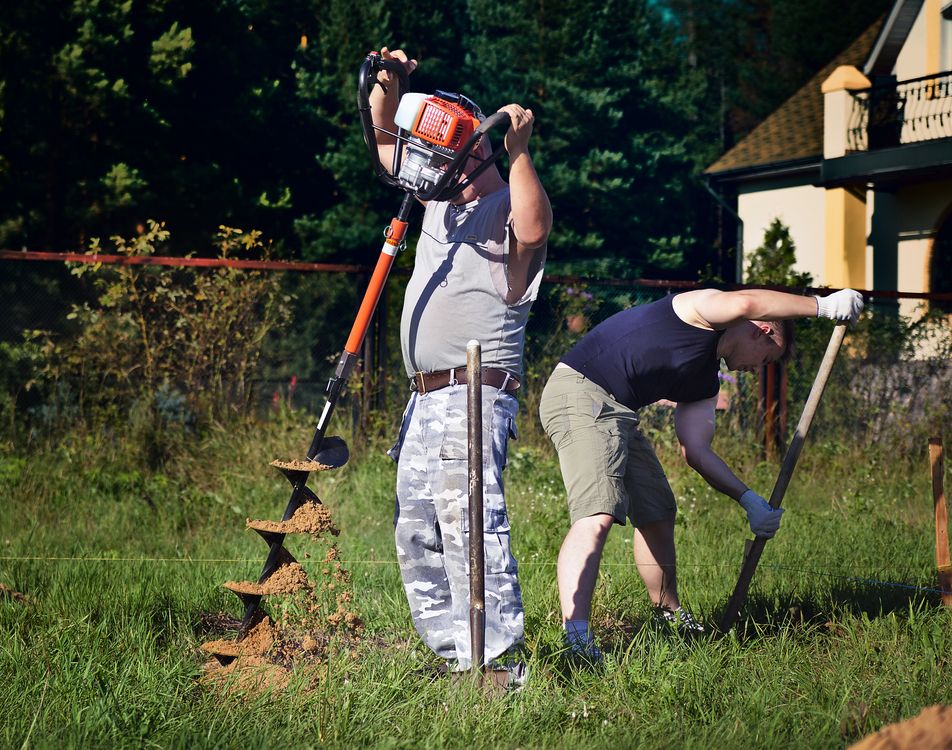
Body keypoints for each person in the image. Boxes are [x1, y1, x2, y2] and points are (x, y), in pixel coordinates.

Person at [539, 287, 864, 659]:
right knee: (598, 512)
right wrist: (822, 307)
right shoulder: (699, 312)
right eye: (765, 359)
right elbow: (746, 303)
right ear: (762, 330)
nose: (757, 369)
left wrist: (749, 500)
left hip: (619, 412)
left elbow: (696, 450)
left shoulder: (705, 380)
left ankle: (669, 616)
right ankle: (576, 639)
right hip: (582, 393)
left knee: (657, 511)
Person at [370, 47, 552, 681]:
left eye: (439, 154)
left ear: (473, 154)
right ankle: (456, 657)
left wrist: (519, 151)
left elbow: (535, 228)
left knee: (470, 524)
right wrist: (387, 85)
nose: (427, 165)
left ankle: (496, 663)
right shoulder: (440, 204)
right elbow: (386, 144)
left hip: (473, 392)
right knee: (417, 528)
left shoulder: (505, 210)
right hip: (424, 397)